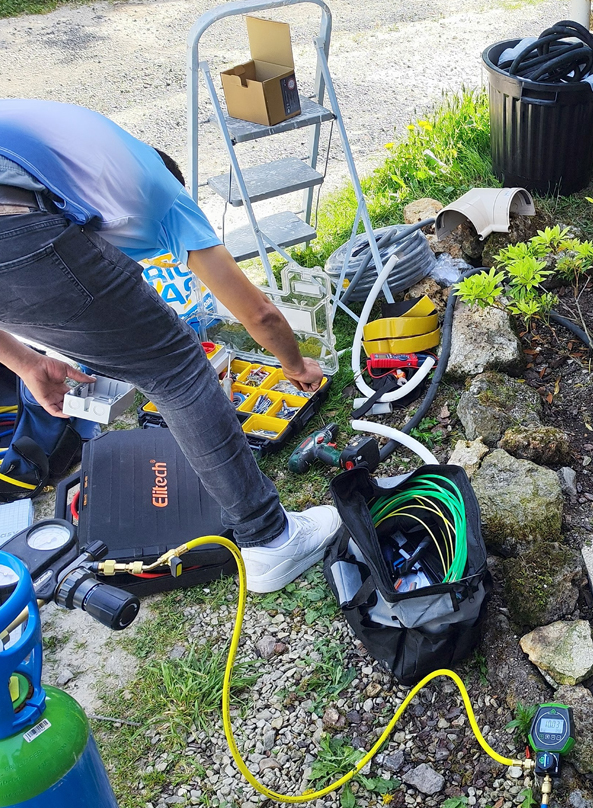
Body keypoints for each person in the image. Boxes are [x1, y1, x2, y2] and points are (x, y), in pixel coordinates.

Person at [0, 99, 341, 593]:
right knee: (178, 371)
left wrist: (26, 362)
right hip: (17, 222)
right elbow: (260, 313)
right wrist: (294, 364)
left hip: (18, 213)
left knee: (160, 363)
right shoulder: (162, 192)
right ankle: (270, 540)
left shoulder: (90, 168)